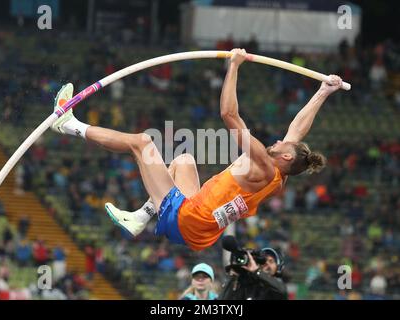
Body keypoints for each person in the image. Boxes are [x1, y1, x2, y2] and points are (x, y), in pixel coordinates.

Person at [51, 48, 343, 252]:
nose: (278, 141)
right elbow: (297, 130)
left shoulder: (264, 164)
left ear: (286, 156)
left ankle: (68, 125)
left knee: (141, 143)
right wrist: (323, 91)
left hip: (189, 219)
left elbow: (229, 114)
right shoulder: (279, 177)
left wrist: (234, 66)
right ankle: (141, 217)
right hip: (198, 227)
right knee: (184, 161)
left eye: (282, 145)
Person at [219, 247, 287, 300]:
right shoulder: (249, 285)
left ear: (279, 267)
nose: (266, 263)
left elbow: (281, 290)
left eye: (271, 261)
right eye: (263, 261)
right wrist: (234, 277)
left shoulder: (278, 286)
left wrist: (256, 271)